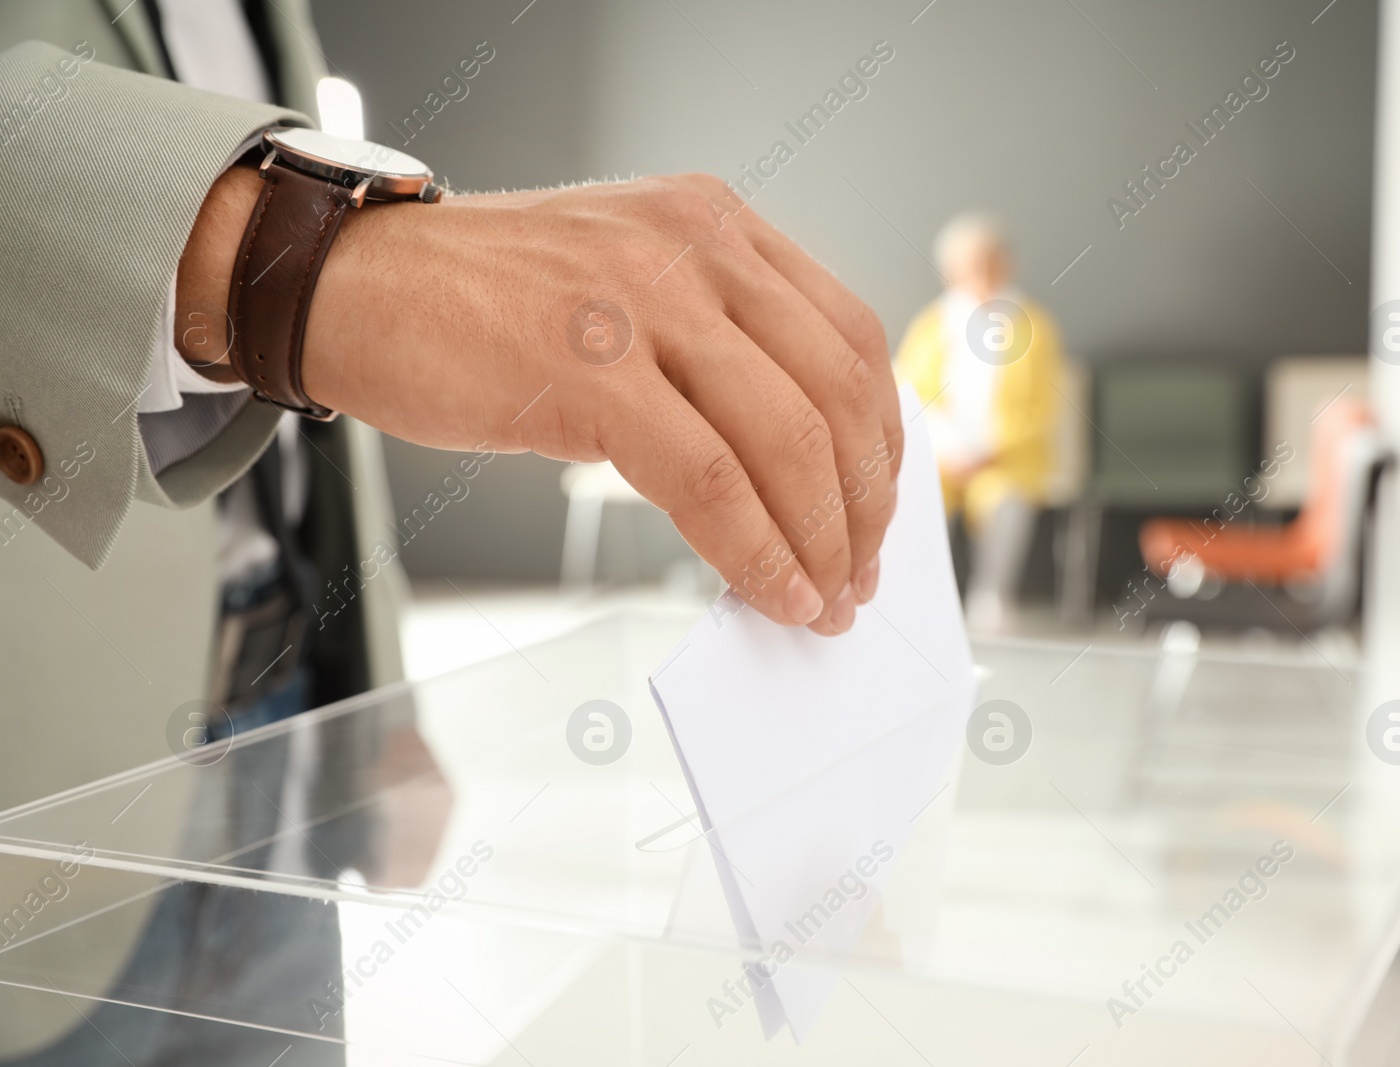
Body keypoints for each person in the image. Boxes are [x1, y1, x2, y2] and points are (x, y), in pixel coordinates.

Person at [0, 2, 901, 1061]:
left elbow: (314, 406)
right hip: (45, 788)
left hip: (283, 735)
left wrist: (371, 685)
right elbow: (312, 318)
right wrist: (310, 266)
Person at [894, 214, 1072, 633]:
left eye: (990, 262)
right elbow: (910, 394)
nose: (981, 273)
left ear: (1006, 264)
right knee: (910, 496)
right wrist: (949, 448)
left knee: (1004, 504)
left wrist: (986, 451)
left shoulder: (1036, 327)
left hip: (1007, 460)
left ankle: (992, 597)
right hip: (940, 458)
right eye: (969, 264)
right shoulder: (930, 325)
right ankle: (914, 601)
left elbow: (1042, 406)